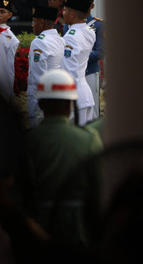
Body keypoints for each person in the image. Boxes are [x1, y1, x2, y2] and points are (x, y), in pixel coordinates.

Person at [24, 68, 103, 249]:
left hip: (36, 233)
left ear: (41, 103)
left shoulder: (27, 141)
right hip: (78, 234)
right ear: (70, 104)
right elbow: (98, 189)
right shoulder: (88, 139)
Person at [27, 6, 65, 127]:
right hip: (56, 97)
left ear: (41, 22)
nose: (33, 25)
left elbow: (39, 77)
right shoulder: (60, 40)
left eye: (34, 21)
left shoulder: (39, 42)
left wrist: (37, 105)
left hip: (40, 102)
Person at [61, 0, 96, 126]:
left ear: (73, 14)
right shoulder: (89, 31)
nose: (63, 14)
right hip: (84, 92)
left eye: (65, 11)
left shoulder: (70, 37)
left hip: (74, 96)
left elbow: (69, 72)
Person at [74, 0, 105, 121]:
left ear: (91, 6)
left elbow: (100, 52)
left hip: (90, 71)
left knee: (91, 110)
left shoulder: (98, 25)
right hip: (73, 72)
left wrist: (81, 58)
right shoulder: (68, 25)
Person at [0, 0, 20, 93]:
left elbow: (9, 68)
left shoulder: (12, 39)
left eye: (2, 12)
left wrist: (8, 91)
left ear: (9, 15)